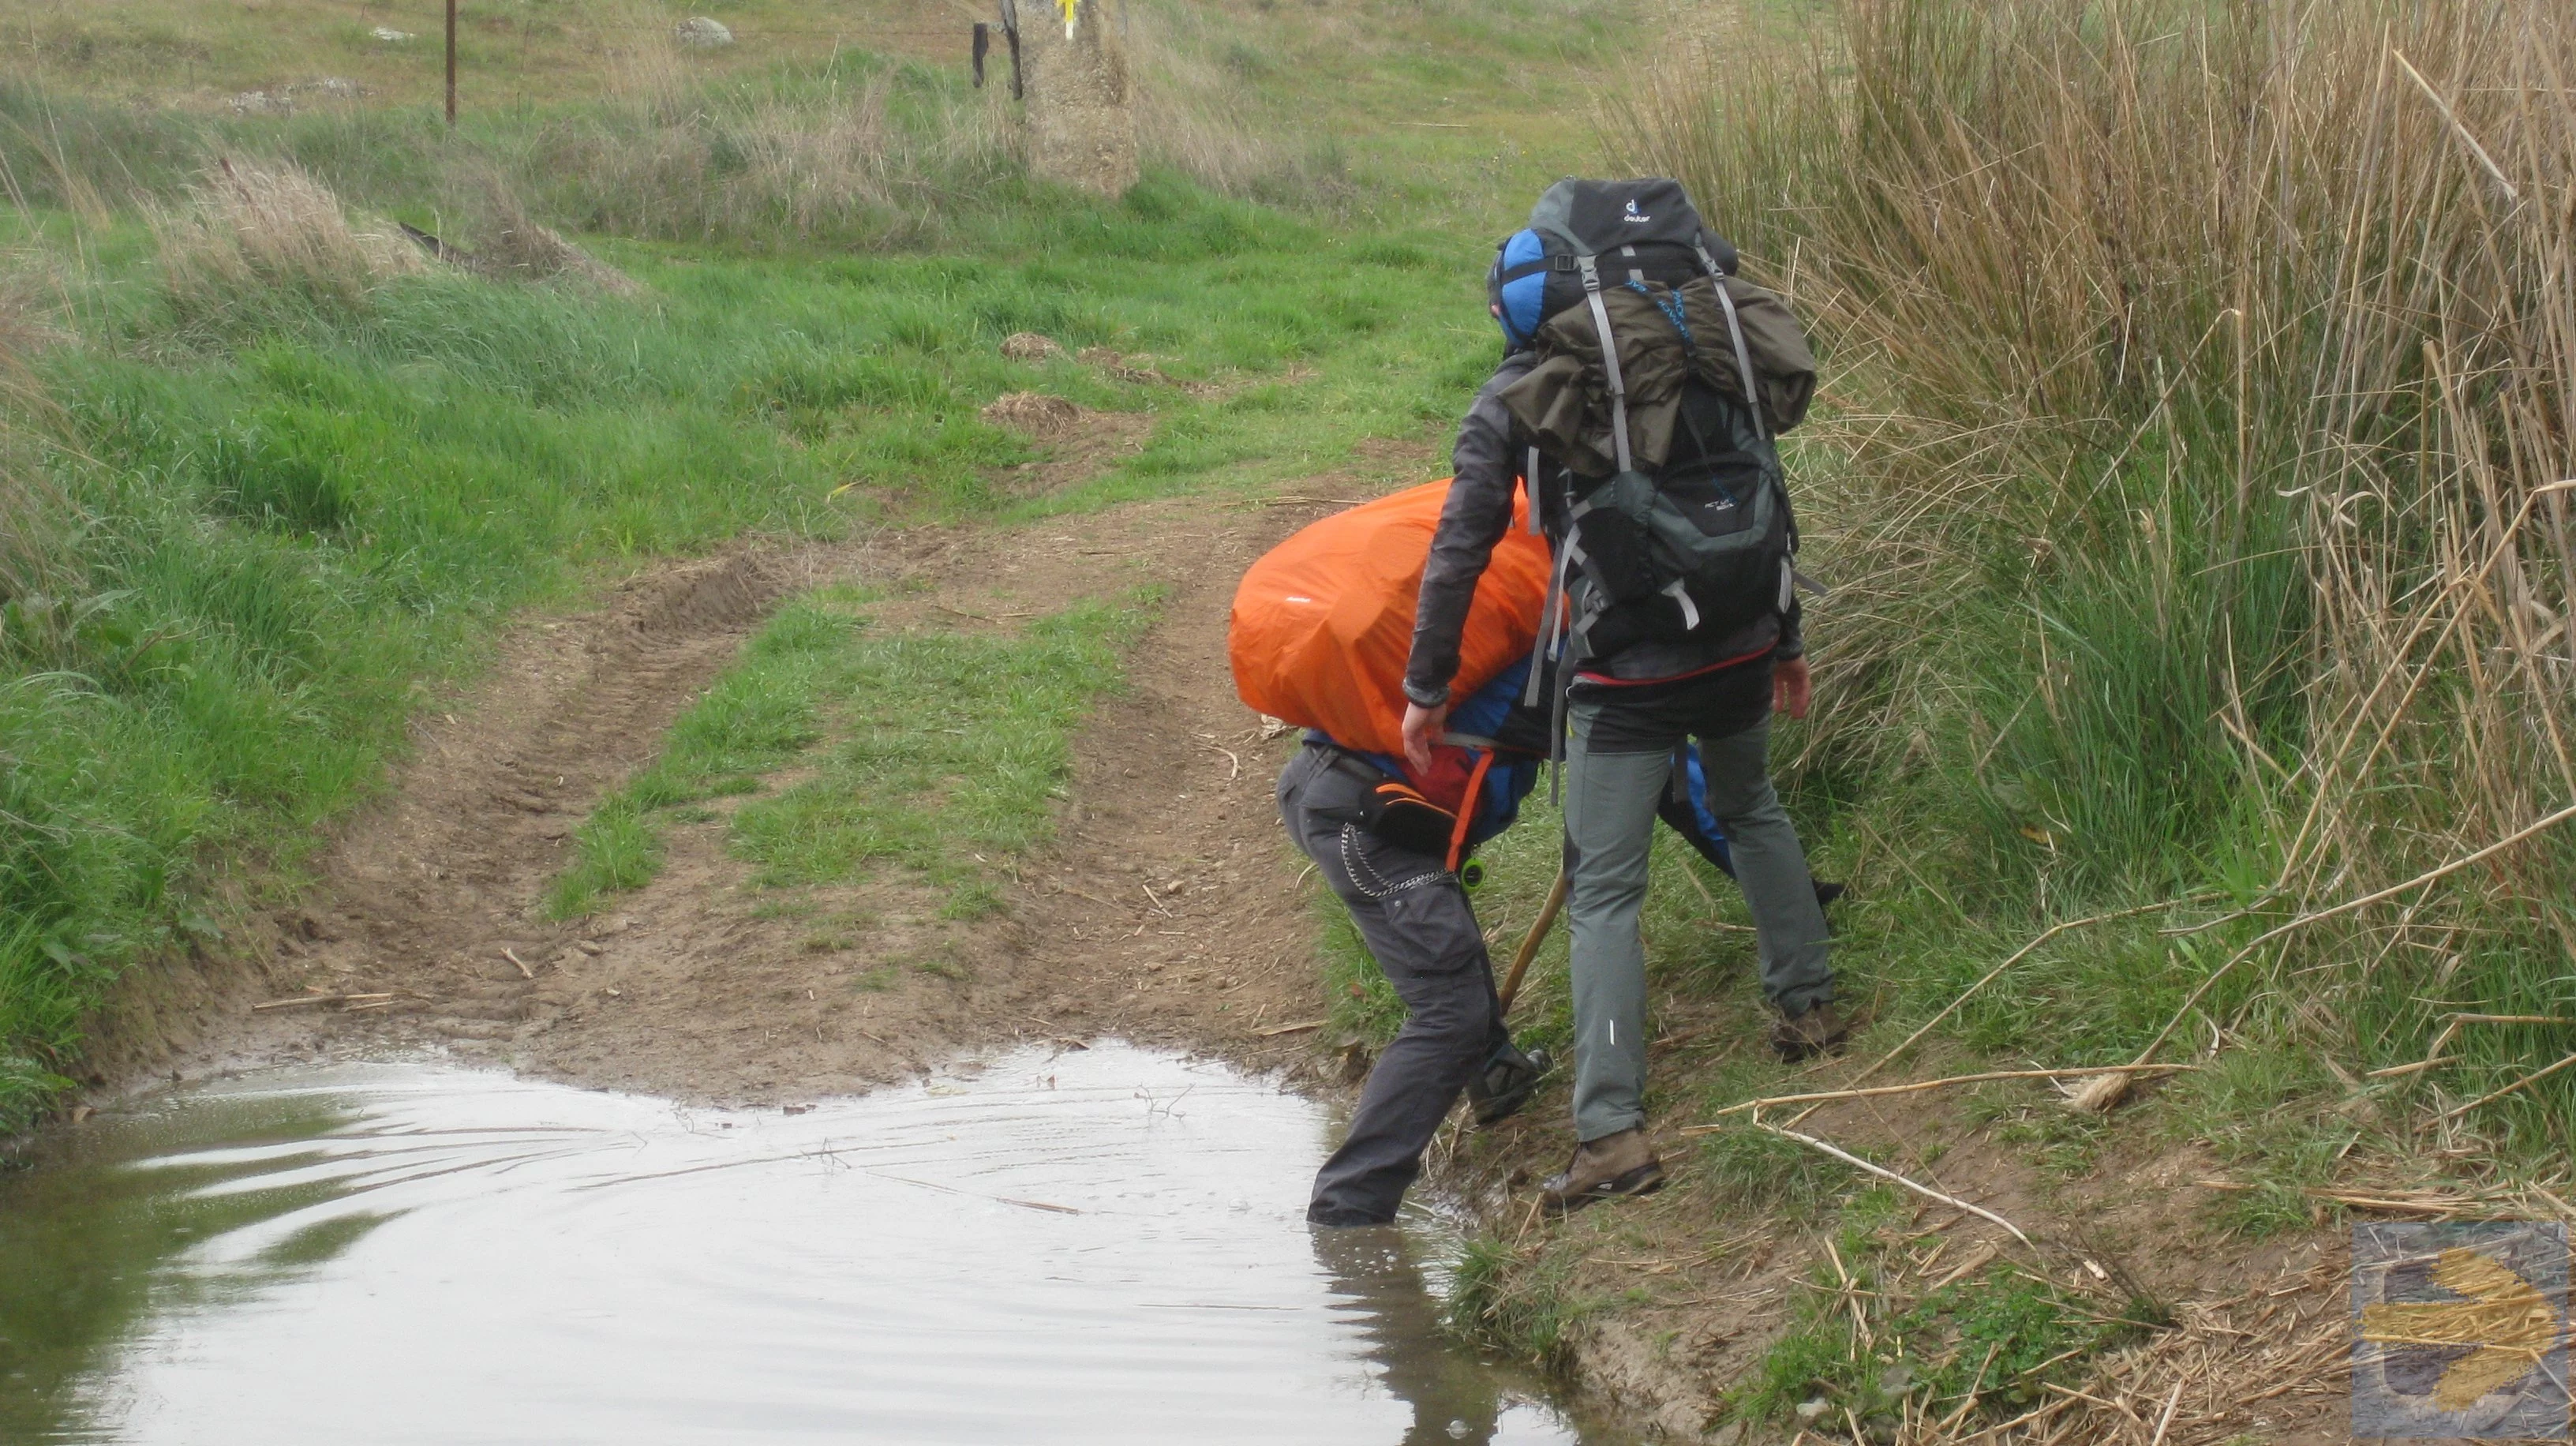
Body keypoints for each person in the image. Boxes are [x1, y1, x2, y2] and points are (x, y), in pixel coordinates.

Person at [1399, 180, 1845, 1213]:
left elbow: (1462, 542)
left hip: (1624, 667)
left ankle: (1611, 1136)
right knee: (1751, 805)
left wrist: (1427, 687)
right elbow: (1760, 481)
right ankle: (1809, 1006)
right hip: (1740, 630)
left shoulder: (1530, 377)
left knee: (1604, 892)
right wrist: (1787, 639)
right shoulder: (1706, 338)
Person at [1278, 662, 1552, 1228]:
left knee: (1445, 937)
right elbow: (1659, 753)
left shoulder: (1503, 620)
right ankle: (1347, 1211)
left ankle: (1497, 1073)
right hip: (1371, 816)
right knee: (1450, 1011)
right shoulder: (1562, 647)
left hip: (1330, 781)